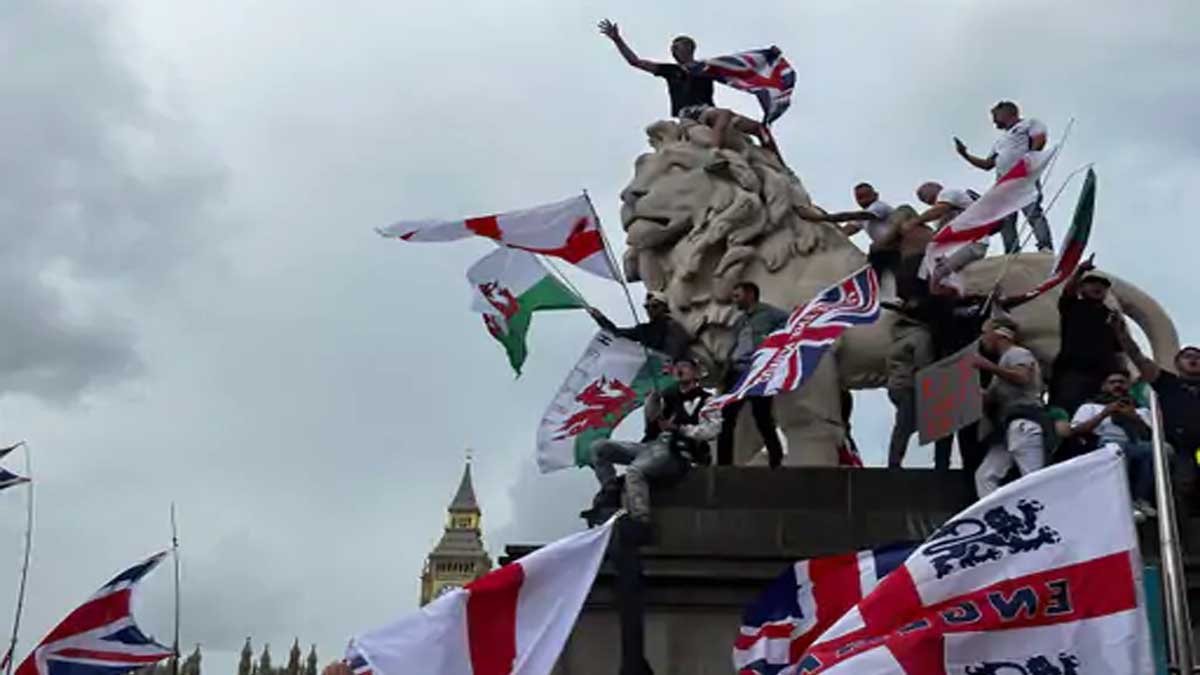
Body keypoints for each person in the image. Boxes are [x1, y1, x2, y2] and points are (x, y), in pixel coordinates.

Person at [583, 358, 719, 529]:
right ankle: (611, 491)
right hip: (652, 446)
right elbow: (652, 424)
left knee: (635, 471)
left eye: (684, 366)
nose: (679, 370)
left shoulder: (708, 400)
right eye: (676, 367)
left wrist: (680, 429)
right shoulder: (668, 395)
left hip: (678, 452)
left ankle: (640, 520)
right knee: (599, 447)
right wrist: (652, 402)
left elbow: (712, 431)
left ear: (696, 372)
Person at [1114, 318, 1200, 507]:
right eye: (1188, 356)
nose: (1194, 359)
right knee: (1184, 487)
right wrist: (1123, 337)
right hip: (1180, 449)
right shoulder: (1167, 383)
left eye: (1198, 356)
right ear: (1177, 364)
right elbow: (1138, 358)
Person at [954, 100, 1053, 253]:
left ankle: (1045, 245)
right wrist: (965, 154)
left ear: (1007, 112)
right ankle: (1012, 252)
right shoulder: (1000, 141)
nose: (994, 122)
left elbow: (1040, 139)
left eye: (995, 116)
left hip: (1023, 177)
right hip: (1003, 183)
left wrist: (1028, 162)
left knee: (1032, 211)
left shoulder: (1029, 123)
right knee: (1005, 219)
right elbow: (988, 164)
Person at [972, 316, 1048, 497]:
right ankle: (997, 518)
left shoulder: (1017, 353)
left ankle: (1044, 520)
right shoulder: (1003, 361)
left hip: (1025, 423)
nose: (982, 339)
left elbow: (1022, 377)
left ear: (998, 334)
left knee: (1034, 479)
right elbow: (990, 398)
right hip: (1007, 429)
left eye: (985, 333)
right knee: (985, 476)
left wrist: (987, 366)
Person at [1070, 369, 1158, 520]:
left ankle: (1141, 500)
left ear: (1129, 386)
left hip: (1134, 446)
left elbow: (1152, 436)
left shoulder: (1141, 411)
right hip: (1100, 449)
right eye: (1112, 382)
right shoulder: (1090, 407)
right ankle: (1124, 501)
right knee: (1115, 443)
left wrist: (1135, 417)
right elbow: (1076, 430)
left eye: (1121, 382)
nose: (1117, 385)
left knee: (1159, 450)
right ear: (1104, 386)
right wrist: (1104, 414)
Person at [718, 282, 789, 467]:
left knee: (762, 417)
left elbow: (790, 323)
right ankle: (723, 464)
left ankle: (776, 458)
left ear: (750, 294)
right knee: (725, 418)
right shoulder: (740, 321)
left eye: (737, 295)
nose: (734, 300)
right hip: (736, 372)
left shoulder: (770, 313)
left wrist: (771, 341)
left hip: (757, 371)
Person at [1049, 257, 1124, 415]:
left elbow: (1119, 349)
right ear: (1081, 288)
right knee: (1069, 410)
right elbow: (1068, 293)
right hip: (1073, 371)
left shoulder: (1111, 316)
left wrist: (1122, 373)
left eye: (1103, 286)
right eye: (1091, 284)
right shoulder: (1073, 307)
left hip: (1104, 375)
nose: (1097, 287)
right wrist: (1080, 270)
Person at [598, 19, 715, 119]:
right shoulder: (670, 70)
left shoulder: (707, 67)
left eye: (676, 47)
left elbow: (731, 74)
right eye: (672, 48)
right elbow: (635, 61)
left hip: (708, 111)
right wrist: (618, 40)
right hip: (687, 114)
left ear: (689, 47)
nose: (673, 51)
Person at [588, 291, 691, 362]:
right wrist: (600, 318)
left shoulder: (674, 326)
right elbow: (616, 333)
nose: (650, 309)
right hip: (654, 375)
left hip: (671, 374)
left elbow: (676, 352)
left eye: (655, 306)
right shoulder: (644, 330)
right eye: (647, 307)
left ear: (664, 308)